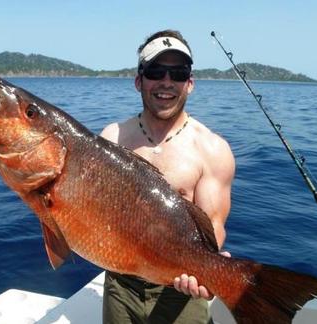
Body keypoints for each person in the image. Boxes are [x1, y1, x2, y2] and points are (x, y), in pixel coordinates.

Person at [100, 29, 235, 323]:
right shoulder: (112, 138)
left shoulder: (212, 149)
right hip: (121, 285)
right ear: (139, 81)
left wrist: (210, 269)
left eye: (177, 73)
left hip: (181, 291)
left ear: (190, 83)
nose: (166, 82)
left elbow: (214, 224)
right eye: (156, 71)